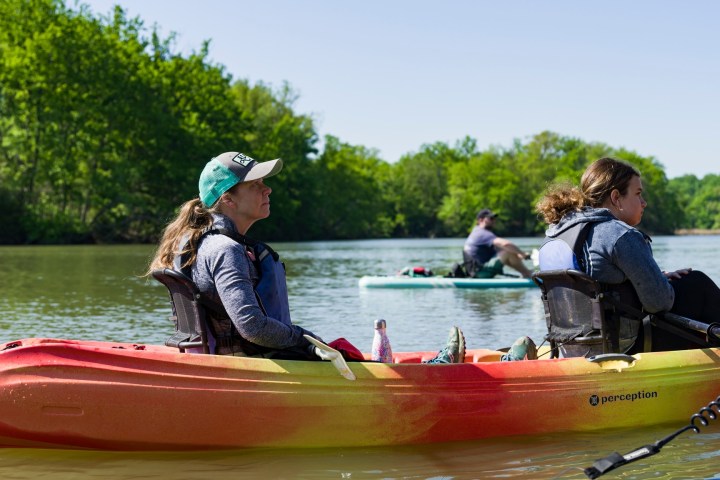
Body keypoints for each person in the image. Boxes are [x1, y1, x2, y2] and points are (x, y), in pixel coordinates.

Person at [148, 151, 465, 363]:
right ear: (228, 198)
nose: (267, 190)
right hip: (255, 367)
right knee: (338, 352)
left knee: (335, 349)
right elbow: (252, 328)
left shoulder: (198, 243)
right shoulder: (225, 251)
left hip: (229, 362)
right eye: (256, 185)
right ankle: (438, 370)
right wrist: (302, 336)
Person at [536, 156, 720, 352]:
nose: (644, 202)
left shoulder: (554, 235)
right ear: (616, 198)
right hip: (621, 347)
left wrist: (659, 277)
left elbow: (599, 282)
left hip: (570, 347)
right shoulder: (621, 235)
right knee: (696, 283)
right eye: (638, 194)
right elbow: (659, 303)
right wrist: (663, 284)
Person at [462, 209, 533, 278]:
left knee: (509, 251)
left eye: (494, 218)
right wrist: (522, 254)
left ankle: (526, 273)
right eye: (491, 218)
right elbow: (505, 244)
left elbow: (500, 250)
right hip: (480, 273)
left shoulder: (476, 231)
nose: (494, 221)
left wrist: (517, 254)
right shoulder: (482, 233)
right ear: (480, 220)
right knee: (508, 251)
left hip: (476, 272)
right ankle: (528, 274)